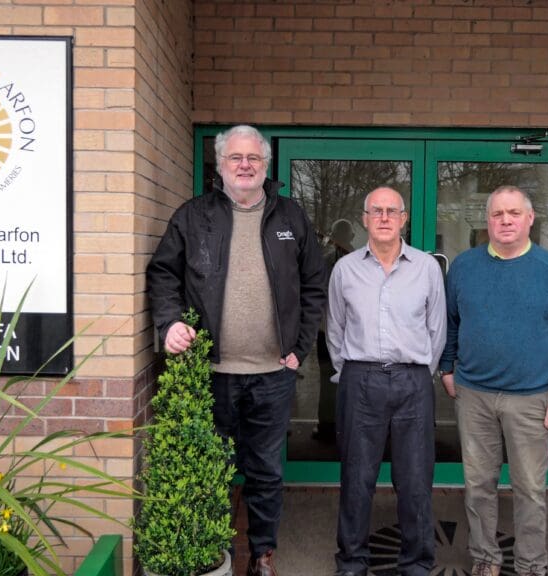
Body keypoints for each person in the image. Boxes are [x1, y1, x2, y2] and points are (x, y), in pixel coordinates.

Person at [146, 124, 327, 576]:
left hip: (272, 372)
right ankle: (215, 553)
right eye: (236, 158)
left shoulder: (291, 218)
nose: (245, 166)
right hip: (211, 370)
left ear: (265, 166)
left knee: (266, 471)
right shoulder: (193, 216)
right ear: (221, 165)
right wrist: (169, 323)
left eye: (254, 159)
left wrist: (298, 348)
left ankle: (262, 555)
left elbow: (314, 285)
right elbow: (163, 273)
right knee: (213, 468)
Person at [438, 185, 548, 576]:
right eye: (497, 214)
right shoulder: (464, 268)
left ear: (529, 219)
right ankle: (486, 558)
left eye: (513, 213)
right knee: (478, 486)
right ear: (486, 221)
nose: (505, 221)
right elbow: (451, 323)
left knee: (529, 491)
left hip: (531, 400)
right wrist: (448, 368)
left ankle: (530, 565)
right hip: (474, 395)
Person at [327, 187, 447, 576]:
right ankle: (352, 561)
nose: (383, 217)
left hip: (413, 383)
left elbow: (437, 330)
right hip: (360, 380)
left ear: (403, 218)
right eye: (375, 211)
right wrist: (351, 373)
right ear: (364, 219)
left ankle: (416, 562)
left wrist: (419, 374)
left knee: (415, 481)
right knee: (357, 478)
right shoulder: (345, 269)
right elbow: (335, 329)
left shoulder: (427, 267)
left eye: (391, 211)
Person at [313, 218, 356, 442]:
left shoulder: (360, 262)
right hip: (327, 329)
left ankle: (340, 427)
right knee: (328, 378)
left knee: (349, 380)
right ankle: (329, 426)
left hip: (350, 332)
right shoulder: (328, 261)